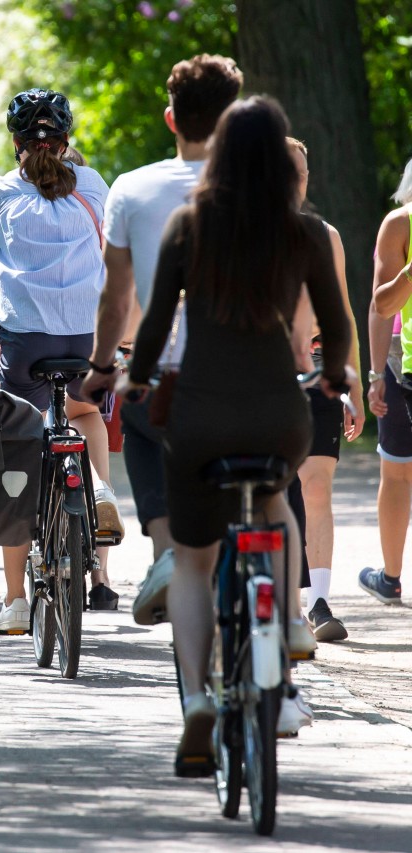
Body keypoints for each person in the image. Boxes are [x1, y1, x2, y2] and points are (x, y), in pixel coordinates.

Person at [123, 97, 352, 763]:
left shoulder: (190, 224)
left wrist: (134, 380)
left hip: (200, 414)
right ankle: (285, 624)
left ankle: (197, 695)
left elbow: (156, 322)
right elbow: (334, 325)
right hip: (278, 413)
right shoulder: (302, 230)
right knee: (277, 498)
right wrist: (334, 374)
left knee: (194, 559)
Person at [0, 88, 122, 631]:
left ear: (15, 142)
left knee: (17, 444)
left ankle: (16, 598)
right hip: (88, 340)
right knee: (86, 413)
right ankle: (102, 563)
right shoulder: (93, 186)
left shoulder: (1, 192)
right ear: (67, 139)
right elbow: (116, 261)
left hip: (24, 344)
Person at [82, 56, 242, 594]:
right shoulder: (262, 186)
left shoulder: (131, 188)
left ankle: (165, 547)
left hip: (170, 372)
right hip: (250, 372)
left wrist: (104, 364)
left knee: (141, 420)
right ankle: (289, 603)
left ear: (171, 119)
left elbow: (116, 296)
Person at [283, 137, 365, 641]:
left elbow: (343, 314)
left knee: (316, 486)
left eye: (303, 173)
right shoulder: (241, 232)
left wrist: (353, 381)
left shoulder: (324, 235)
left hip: (315, 370)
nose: (297, 180)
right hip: (259, 370)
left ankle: (318, 603)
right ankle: (274, 600)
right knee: (267, 488)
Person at [363, 156, 412, 605]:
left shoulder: (398, 222)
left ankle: (391, 576)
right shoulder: (401, 225)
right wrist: (377, 373)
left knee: (397, 473)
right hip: (405, 366)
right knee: (396, 471)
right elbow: (383, 305)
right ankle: (391, 576)